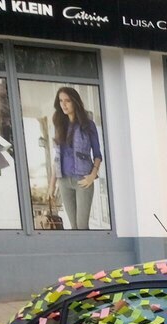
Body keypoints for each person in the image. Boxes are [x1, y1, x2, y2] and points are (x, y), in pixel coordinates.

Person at [47, 87, 103, 230]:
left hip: (82, 180)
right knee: (74, 227)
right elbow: (57, 158)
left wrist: (92, 176)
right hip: (64, 181)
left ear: (75, 102)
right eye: (61, 101)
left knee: (82, 226)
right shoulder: (59, 125)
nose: (64, 105)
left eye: (67, 101)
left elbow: (97, 154)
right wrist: (52, 185)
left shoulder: (88, 125)